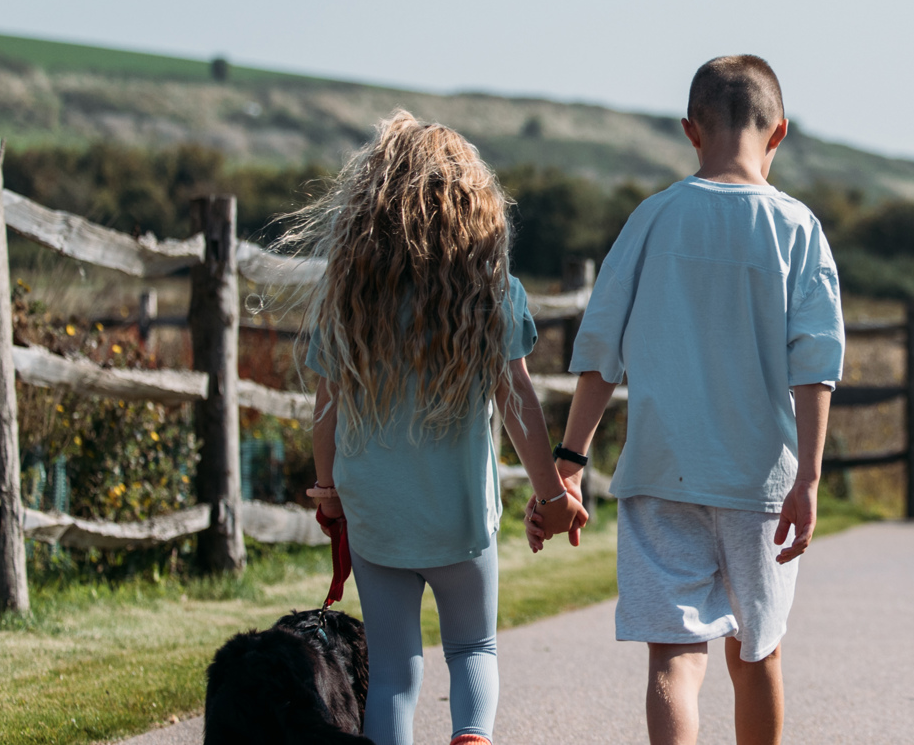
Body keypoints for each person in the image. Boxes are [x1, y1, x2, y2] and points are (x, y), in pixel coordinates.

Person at [551, 54, 842, 745]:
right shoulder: (797, 228)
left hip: (659, 471)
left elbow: (599, 349)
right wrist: (809, 476)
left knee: (674, 657)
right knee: (756, 652)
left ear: (691, 129)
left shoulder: (651, 219)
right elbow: (816, 363)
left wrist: (569, 459)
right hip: (759, 481)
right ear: (778, 135)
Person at [296, 111, 589, 745]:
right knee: (473, 647)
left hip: (377, 519)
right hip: (459, 522)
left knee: (396, 673)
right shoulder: (491, 295)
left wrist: (328, 493)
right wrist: (551, 498)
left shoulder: (348, 298)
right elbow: (518, 402)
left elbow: (326, 406)